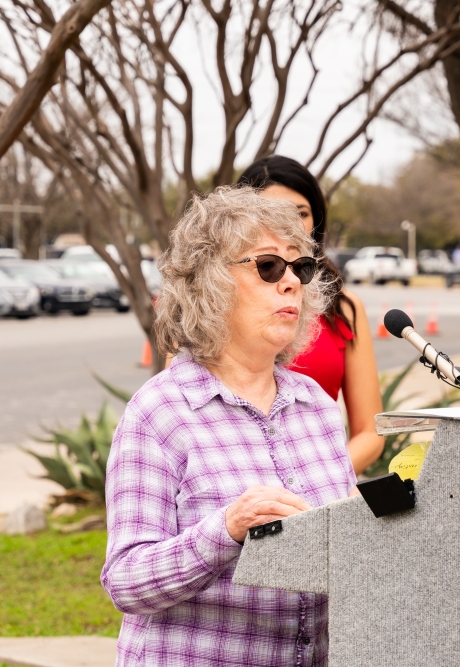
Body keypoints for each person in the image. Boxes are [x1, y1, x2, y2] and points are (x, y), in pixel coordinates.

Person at [101, 187, 357, 666]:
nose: (291, 285)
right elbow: (126, 581)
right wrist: (227, 530)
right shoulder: (159, 413)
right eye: (268, 267)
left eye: (299, 268)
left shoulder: (319, 408)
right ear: (209, 283)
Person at [238, 156, 384, 474]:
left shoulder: (344, 309)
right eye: (271, 212)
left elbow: (370, 432)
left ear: (316, 219)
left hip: (322, 494)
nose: (288, 223)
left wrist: (320, 479)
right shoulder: (211, 306)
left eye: (300, 213)